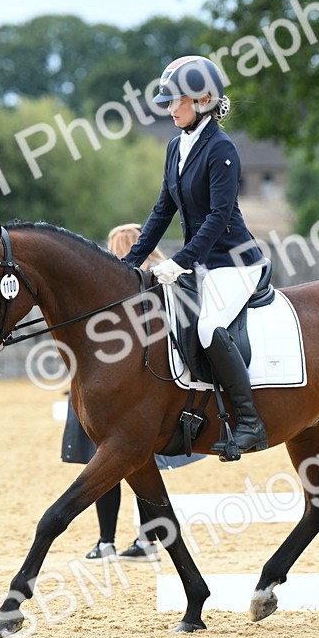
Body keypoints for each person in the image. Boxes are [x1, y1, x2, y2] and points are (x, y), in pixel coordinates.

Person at [122, 55, 269, 459]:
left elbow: (220, 217)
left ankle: (250, 423)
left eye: (176, 102)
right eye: (168, 102)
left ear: (203, 99)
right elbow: (162, 210)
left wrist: (181, 259)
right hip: (202, 264)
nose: (170, 109)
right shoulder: (176, 146)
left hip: (234, 262)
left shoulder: (222, 150)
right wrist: (131, 262)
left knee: (207, 329)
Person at [66, 224, 201, 562]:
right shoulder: (161, 284)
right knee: (140, 464)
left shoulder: (109, 288)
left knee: (106, 465)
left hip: (109, 388)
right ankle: (145, 539)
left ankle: (106, 541)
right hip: (151, 387)